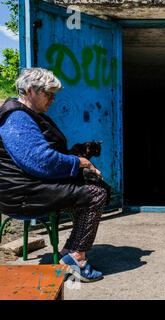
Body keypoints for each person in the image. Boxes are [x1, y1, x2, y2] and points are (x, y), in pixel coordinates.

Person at [0, 68, 106, 282]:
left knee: (91, 187)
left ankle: (71, 251)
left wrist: (78, 161)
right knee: (95, 194)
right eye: (48, 93)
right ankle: (76, 258)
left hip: (29, 187)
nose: (53, 99)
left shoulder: (29, 115)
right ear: (30, 91)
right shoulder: (17, 117)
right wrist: (79, 162)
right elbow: (40, 160)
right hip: (21, 194)